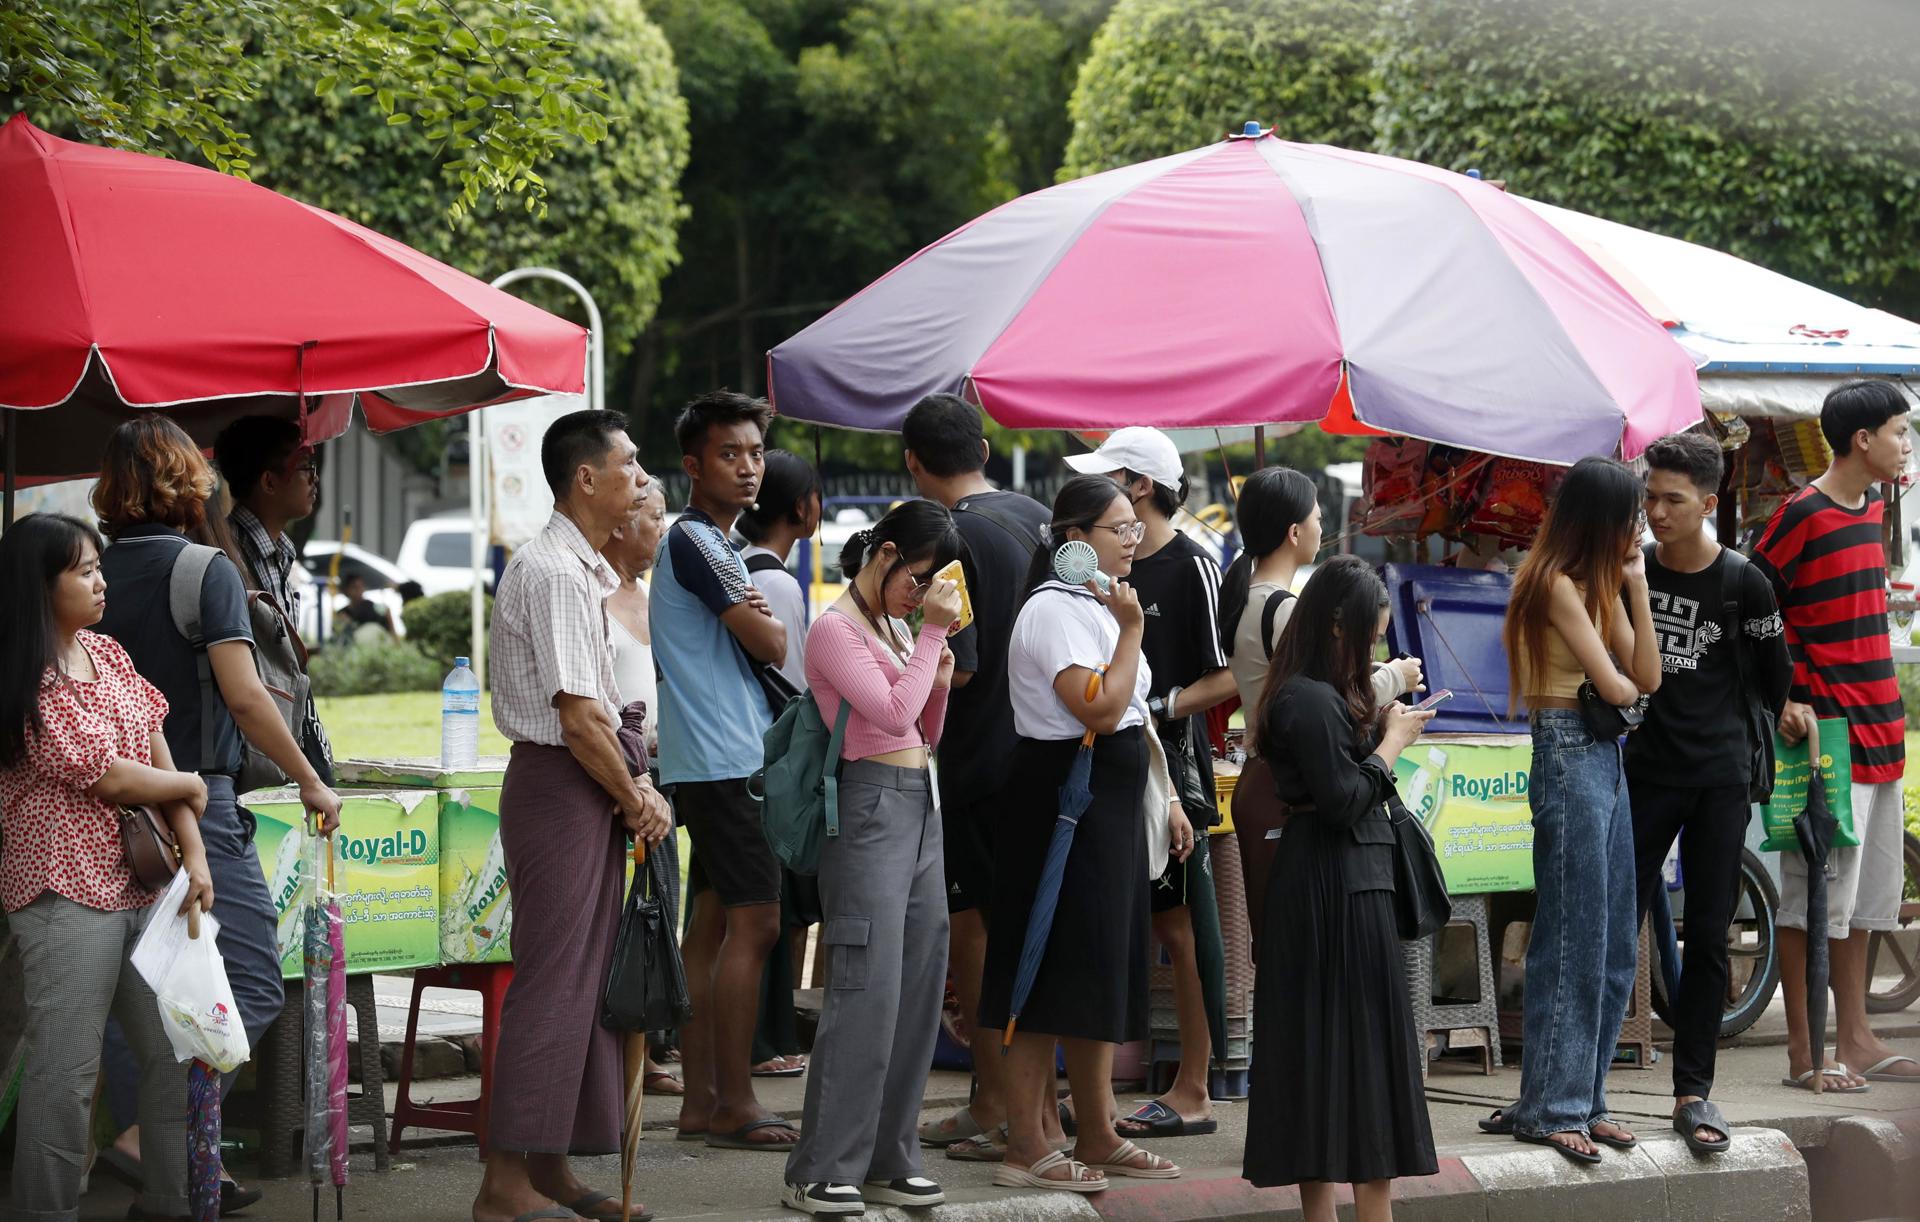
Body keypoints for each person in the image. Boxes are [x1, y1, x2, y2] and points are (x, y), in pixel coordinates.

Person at [92, 417, 341, 1208]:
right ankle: (156, 1134)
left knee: (142, 987)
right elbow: (242, 695)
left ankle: (168, 1149)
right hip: (196, 803)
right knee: (254, 987)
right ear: (187, 483)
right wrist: (308, 778)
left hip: (106, 804)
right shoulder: (207, 571)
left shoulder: (84, 574)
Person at [473, 409, 674, 1222]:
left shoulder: (581, 567)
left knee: (584, 983)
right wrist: (637, 799)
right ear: (585, 478)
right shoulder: (556, 571)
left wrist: (632, 794)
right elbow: (581, 718)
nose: (638, 476)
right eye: (627, 463)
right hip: (563, 784)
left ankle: (547, 1167)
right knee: (553, 984)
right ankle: (504, 1186)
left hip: (584, 784)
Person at [978, 474, 1190, 1193]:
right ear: (1074, 539)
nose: (1133, 540)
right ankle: (1026, 1142)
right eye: (1118, 529)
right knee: (1047, 963)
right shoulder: (1054, 611)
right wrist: (1131, 631)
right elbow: (1098, 707)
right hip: (1061, 803)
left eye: (1135, 528)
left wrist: (1165, 799)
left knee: (1097, 965)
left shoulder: (1096, 603)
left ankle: (1095, 1129)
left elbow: (1133, 714)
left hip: (1108, 804)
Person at [0, 513, 212, 1222]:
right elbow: (108, 777)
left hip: (142, 886)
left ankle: (171, 1204)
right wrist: (186, 790)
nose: (100, 581)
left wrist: (198, 858)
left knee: (171, 1053)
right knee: (65, 1076)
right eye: (83, 570)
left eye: (98, 567)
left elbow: (161, 759)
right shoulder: (24, 676)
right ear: (38, 585)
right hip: (63, 894)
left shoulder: (110, 656)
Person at [1242, 555, 1438, 1221]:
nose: (1374, 649)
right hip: (1332, 888)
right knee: (1339, 1059)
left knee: (1350, 1060)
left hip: (1346, 883)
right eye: (1369, 635)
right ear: (1336, 625)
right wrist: (1393, 745)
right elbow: (1341, 800)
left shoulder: (1316, 695)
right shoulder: (1306, 698)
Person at [781, 501, 963, 1216]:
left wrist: (937, 670)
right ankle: (822, 1164)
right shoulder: (834, 628)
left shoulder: (891, 626)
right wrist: (934, 637)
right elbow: (887, 716)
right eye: (916, 579)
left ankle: (891, 1155)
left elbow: (923, 726)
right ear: (884, 554)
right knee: (865, 989)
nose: (920, 597)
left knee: (918, 985)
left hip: (920, 802)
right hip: (867, 808)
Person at [1488, 456, 1661, 1163]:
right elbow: (1620, 690)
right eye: (1634, 517)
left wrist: (1638, 587)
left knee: (1616, 934)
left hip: (1603, 758)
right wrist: (1625, 682)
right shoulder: (1555, 583)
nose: (1642, 529)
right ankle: (1552, 1108)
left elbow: (1647, 675)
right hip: (1566, 751)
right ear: (1604, 520)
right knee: (1573, 934)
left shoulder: (1602, 582)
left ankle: (1583, 1101)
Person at [1065, 427, 1235, 1138]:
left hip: (1171, 772)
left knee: (1180, 926)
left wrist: (1161, 707)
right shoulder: (1096, 570)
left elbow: (1230, 675)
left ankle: (1195, 1084)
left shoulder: (1194, 565)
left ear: (1138, 487)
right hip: (1106, 760)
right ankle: (1101, 1090)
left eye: (1109, 482)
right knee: (1113, 925)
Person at [900, 392, 1056, 1159]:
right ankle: (1029, 1108)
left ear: (912, 463)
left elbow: (960, 667)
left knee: (977, 933)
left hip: (979, 761)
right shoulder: (1037, 517)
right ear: (986, 450)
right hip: (1045, 756)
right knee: (1030, 931)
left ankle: (995, 1101)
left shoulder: (952, 540)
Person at [1627, 432, 1794, 1148]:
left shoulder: (1743, 582)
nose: (1657, 512)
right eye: (1650, 497)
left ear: (1706, 501)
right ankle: (1571, 1090)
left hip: (1721, 782)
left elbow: (1774, 676)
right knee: (1608, 926)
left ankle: (1693, 1092)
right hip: (1644, 775)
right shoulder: (1631, 569)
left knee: (1709, 942)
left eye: (1672, 499)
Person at [1753, 379, 1920, 1089]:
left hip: (1883, 730)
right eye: (1900, 431)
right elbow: (1752, 601)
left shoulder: (1876, 506)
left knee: (1863, 902)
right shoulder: (1802, 512)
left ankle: (1854, 1037)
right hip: (1827, 737)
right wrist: (1787, 693)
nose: (1906, 443)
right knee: (1811, 896)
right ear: (1863, 440)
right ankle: (1805, 1055)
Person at [651, 390, 799, 1151]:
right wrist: (761, 617)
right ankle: (737, 1100)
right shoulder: (701, 542)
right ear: (692, 465)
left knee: (711, 926)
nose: (747, 468)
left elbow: (761, 633)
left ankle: (703, 1101)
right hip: (729, 756)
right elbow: (771, 645)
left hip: (707, 756)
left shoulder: (715, 544)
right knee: (758, 922)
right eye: (729, 454)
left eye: (754, 453)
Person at [736, 450, 824, 1079]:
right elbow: (792, 683)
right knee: (777, 914)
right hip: (776, 763)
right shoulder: (780, 582)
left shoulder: (738, 567)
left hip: (737, 755)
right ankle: (769, 1038)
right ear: (800, 508)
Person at [1219, 467, 1420, 729]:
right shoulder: (1283, 609)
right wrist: (1396, 677)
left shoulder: (1245, 595)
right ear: (1294, 533)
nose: (1321, 529)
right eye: (1318, 519)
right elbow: (1334, 703)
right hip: (1289, 763)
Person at [602, 481, 683, 1099]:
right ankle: (621, 1049)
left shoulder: (650, 596)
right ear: (622, 523)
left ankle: (648, 1043)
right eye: (654, 518)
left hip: (660, 775)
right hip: (616, 780)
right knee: (622, 920)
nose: (661, 530)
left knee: (660, 912)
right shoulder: (592, 595)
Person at [334, 574, 397, 639]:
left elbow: (387, 612)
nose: (358, 591)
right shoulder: (342, 613)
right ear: (346, 590)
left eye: (360, 587)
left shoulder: (372, 606)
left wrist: (395, 638)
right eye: (354, 587)